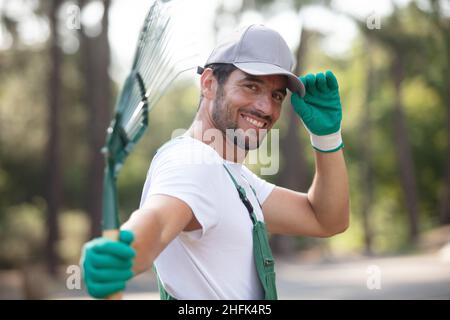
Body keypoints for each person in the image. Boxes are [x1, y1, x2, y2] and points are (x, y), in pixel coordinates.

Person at [81, 24, 350, 300]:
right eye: (251, 85)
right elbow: (159, 221)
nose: (266, 107)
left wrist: (326, 138)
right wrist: (124, 253)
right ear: (209, 83)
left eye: (276, 95)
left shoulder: (237, 179)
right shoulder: (191, 162)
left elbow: (326, 220)